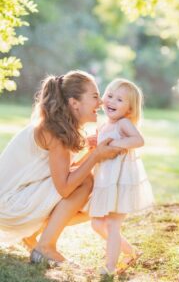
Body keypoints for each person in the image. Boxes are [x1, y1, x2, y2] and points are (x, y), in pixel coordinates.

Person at [0, 70, 122, 265]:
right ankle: (45, 247)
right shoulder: (55, 132)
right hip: (9, 205)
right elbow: (65, 187)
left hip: (12, 199)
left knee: (94, 200)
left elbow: (61, 172)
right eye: (94, 97)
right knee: (86, 181)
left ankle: (33, 236)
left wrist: (90, 150)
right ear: (74, 103)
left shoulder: (59, 127)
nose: (100, 103)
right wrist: (96, 155)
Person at [87, 78, 154, 276]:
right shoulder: (105, 125)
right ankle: (131, 252)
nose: (112, 101)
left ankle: (109, 267)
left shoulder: (124, 123)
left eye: (119, 100)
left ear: (130, 110)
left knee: (112, 225)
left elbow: (138, 140)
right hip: (106, 181)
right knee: (97, 224)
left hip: (121, 183)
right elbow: (101, 149)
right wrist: (94, 143)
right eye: (109, 96)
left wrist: (116, 145)